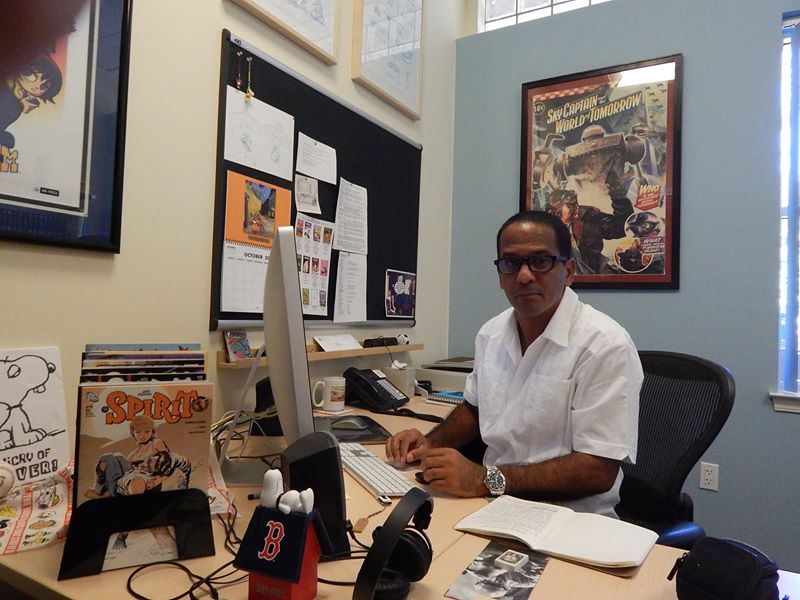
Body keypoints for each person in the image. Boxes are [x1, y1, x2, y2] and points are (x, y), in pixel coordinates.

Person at [385, 210, 642, 517]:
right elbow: (474, 409)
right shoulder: (491, 334)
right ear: (500, 274)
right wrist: (428, 443)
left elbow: (598, 471)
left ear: (569, 271)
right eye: (511, 263)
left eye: (540, 261)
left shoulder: (605, 344)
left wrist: (484, 479)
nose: (524, 276)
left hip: (569, 519)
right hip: (492, 505)